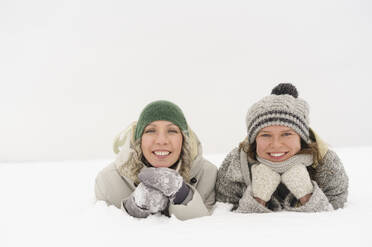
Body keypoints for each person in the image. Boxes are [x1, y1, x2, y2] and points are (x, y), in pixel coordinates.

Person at [216, 83, 349, 213]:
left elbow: (334, 212)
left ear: (301, 137)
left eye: (286, 134)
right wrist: (258, 197)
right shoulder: (237, 162)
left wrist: (306, 194)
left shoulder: (325, 160)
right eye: (265, 135)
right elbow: (225, 215)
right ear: (254, 139)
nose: (276, 145)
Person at [95, 100, 217, 220]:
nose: (161, 140)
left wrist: (183, 196)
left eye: (172, 131)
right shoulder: (108, 182)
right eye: (151, 131)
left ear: (184, 140)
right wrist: (132, 209)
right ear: (139, 139)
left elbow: (208, 231)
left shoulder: (207, 175)